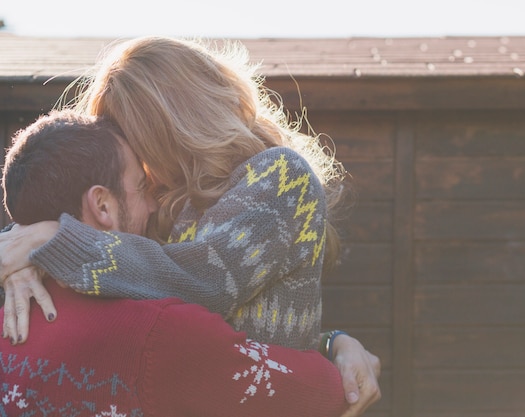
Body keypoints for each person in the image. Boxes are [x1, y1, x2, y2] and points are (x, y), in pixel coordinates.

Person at [0, 36, 381, 415]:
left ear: (171, 127)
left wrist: (54, 240)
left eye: (135, 139)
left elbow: (205, 285)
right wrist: (23, 254)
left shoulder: (280, 178)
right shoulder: (171, 205)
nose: (137, 160)